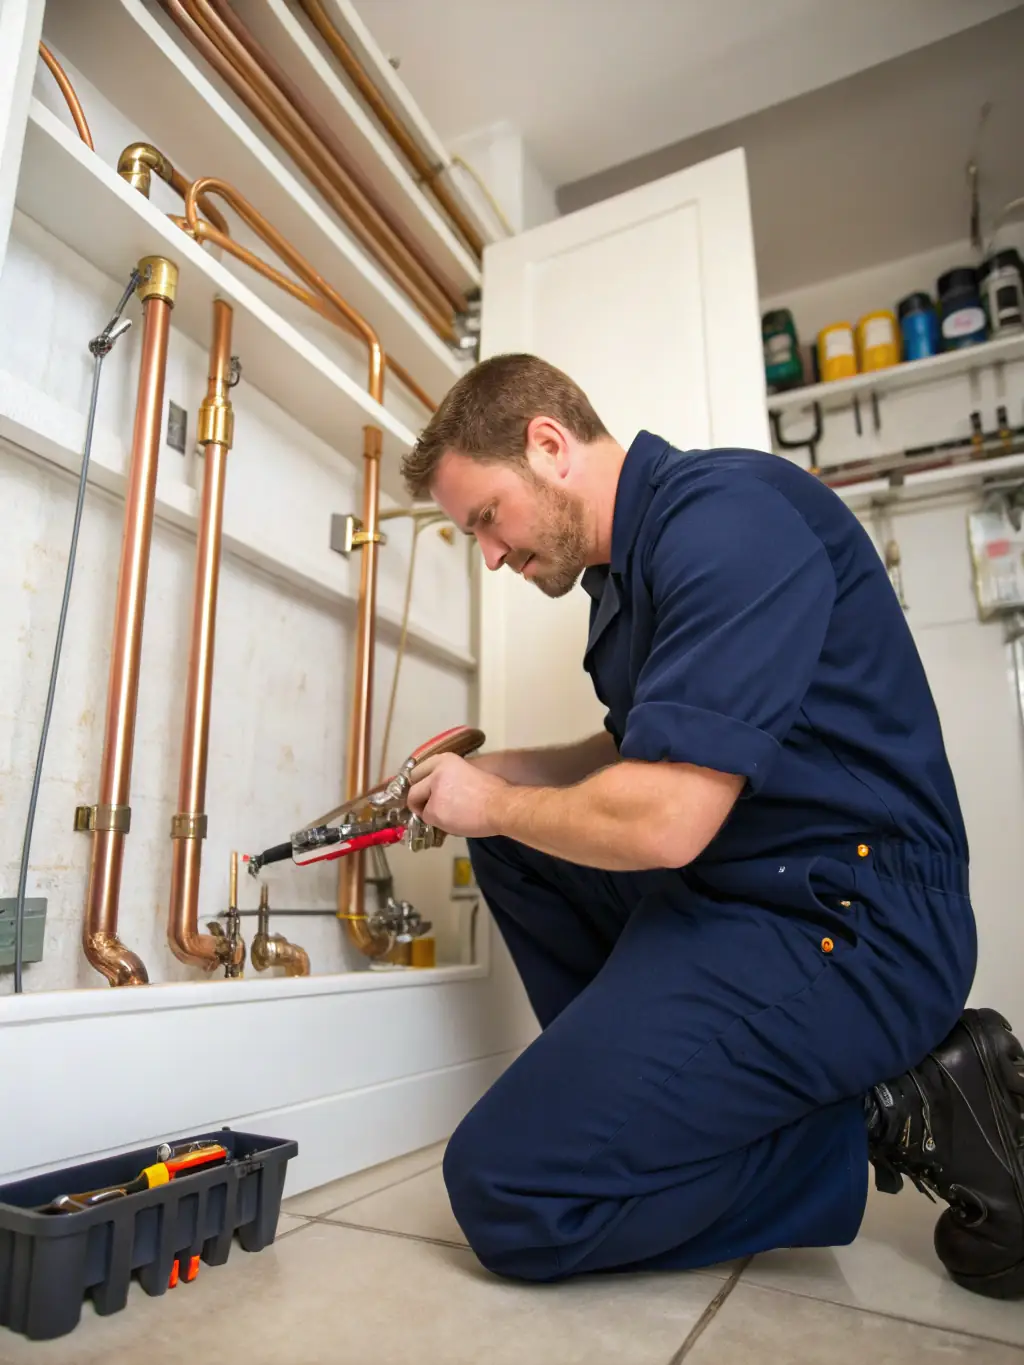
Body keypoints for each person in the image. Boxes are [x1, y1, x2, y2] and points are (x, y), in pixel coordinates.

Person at [401, 352, 1024, 1298]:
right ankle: (662, 1110)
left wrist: (487, 800)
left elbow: (664, 820)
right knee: (516, 845)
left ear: (547, 445)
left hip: (861, 921)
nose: (489, 554)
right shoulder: (627, 577)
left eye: (486, 518)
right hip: (746, 894)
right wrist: (495, 778)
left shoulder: (728, 522)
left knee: (510, 1191)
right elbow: (639, 760)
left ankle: (875, 1112)